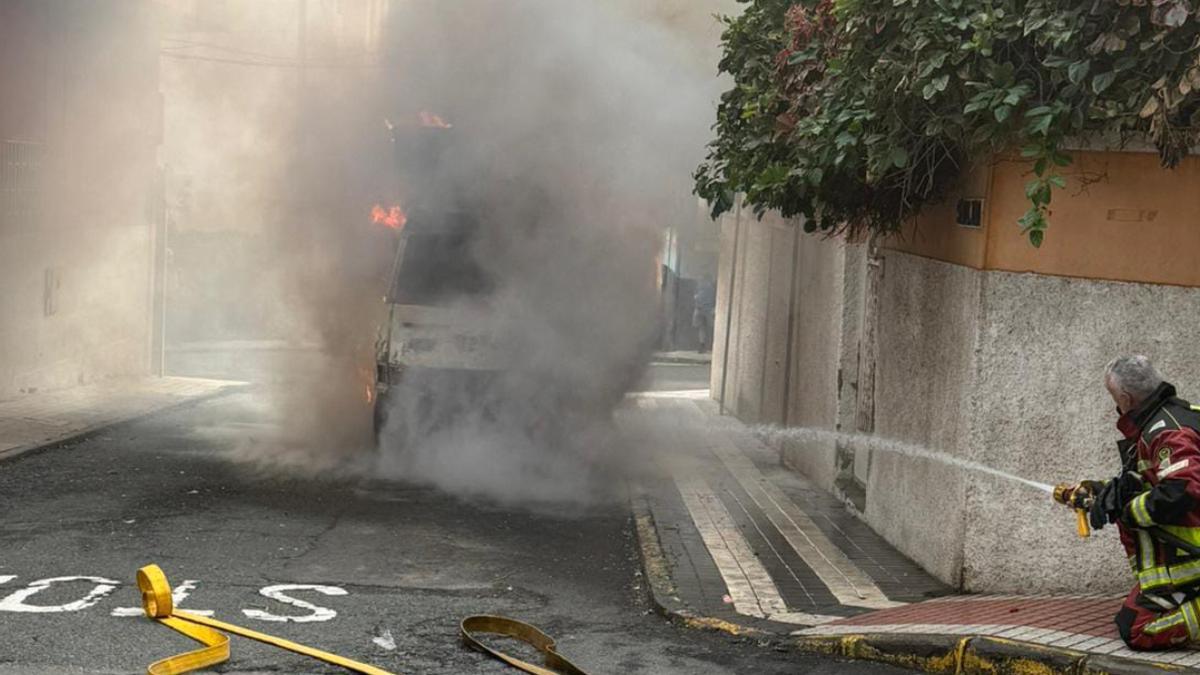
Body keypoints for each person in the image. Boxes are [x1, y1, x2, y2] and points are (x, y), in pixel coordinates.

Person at [1080, 355, 1200, 650]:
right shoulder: (1173, 417)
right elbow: (1149, 482)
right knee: (1127, 619)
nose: (1115, 405)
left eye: (1114, 398)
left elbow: (1184, 488)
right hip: (1183, 558)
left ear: (1125, 398)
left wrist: (1127, 511)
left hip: (1190, 559)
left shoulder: (1166, 431)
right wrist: (1103, 493)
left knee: (1137, 629)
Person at [692, 275, 716, 353]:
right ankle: (703, 345)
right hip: (701, 309)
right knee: (702, 328)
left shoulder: (710, 289)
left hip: (707, 309)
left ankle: (706, 345)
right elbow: (695, 297)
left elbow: (696, 297)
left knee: (707, 327)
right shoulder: (701, 288)